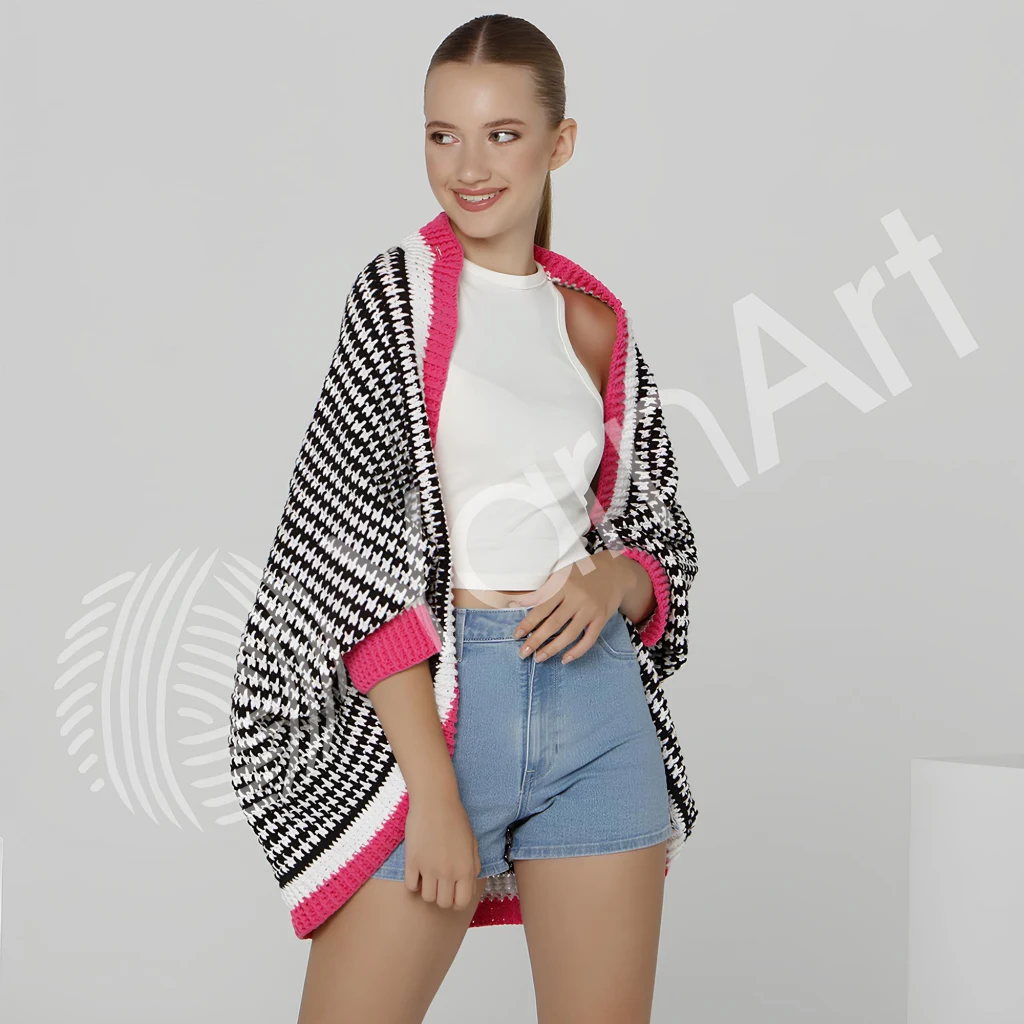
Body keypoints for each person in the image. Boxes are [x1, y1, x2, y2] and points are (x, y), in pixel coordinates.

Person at [230, 14, 699, 1024]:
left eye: (502, 134)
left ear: (559, 143)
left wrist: (618, 578)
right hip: (441, 711)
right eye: (442, 134)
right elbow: (346, 555)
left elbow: (658, 528)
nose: (468, 167)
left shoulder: (593, 321)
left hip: (596, 713)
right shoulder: (394, 299)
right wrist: (431, 789)